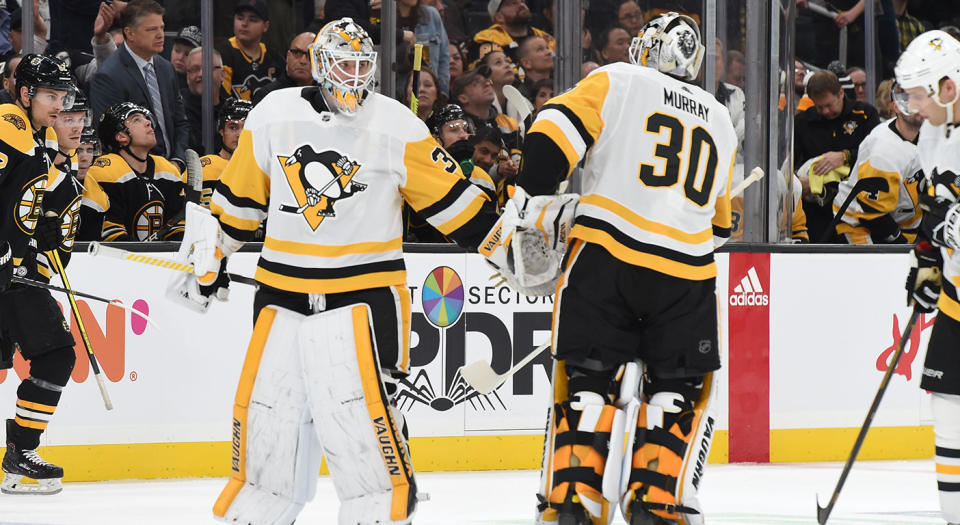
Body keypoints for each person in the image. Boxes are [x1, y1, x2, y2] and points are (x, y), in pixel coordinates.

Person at [170, 18, 497, 524]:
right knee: (270, 417)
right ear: (320, 66)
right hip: (282, 292)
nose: (355, 75)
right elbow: (240, 202)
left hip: (365, 295)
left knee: (364, 423)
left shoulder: (397, 123)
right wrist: (211, 255)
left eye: (364, 65)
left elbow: (455, 206)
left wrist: (508, 248)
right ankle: (260, 510)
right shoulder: (273, 114)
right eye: (345, 64)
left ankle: (380, 514)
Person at [498, 13, 736, 524]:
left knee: (587, 381)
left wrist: (527, 201)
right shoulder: (720, 117)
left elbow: (550, 133)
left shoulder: (618, 79)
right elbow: (720, 226)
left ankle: (574, 498)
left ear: (646, 49)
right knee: (676, 392)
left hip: (605, 258)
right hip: (688, 273)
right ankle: (656, 499)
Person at [0, 54, 77, 495]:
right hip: (8, 270)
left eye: (61, 95)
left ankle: (19, 457)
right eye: (50, 95)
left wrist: (41, 227)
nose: (58, 104)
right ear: (25, 93)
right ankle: (21, 452)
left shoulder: (38, 136)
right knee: (56, 355)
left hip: (15, 272)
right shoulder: (9, 120)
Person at [896, 30, 960, 525]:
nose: (912, 107)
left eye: (918, 95)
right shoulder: (936, 133)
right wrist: (927, 258)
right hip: (959, 297)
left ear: (947, 87)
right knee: (946, 404)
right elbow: (938, 207)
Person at [90, 0, 190, 169]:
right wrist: (151, 170)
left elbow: (180, 122)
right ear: (130, 33)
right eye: (152, 29)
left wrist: (178, 161)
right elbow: (110, 138)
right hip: (135, 174)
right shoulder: (108, 76)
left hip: (173, 170)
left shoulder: (166, 68)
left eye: (161, 27)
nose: (160, 35)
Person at [78, 102, 186, 241]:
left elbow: (177, 229)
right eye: (136, 120)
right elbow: (111, 237)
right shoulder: (105, 172)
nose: (148, 122)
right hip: (117, 260)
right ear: (121, 136)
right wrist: (145, 258)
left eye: (146, 118)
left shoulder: (167, 170)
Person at [795, 70, 880, 242]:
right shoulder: (803, 122)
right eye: (819, 107)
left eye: (829, 105)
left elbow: (878, 154)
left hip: (857, 208)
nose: (825, 111)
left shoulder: (865, 115)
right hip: (817, 212)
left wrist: (845, 156)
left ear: (841, 93)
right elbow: (789, 162)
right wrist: (799, 182)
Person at [832, 84, 924, 244]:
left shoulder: (930, 136)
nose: (918, 107)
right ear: (896, 107)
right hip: (859, 223)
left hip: (902, 221)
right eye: (909, 101)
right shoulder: (885, 149)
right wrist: (899, 243)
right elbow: (871, 212)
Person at [407, 104, 495, 242]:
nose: (463, 135)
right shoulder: (420, 177)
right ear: (436, 140)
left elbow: (490, 233)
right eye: (453, 130)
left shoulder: (483, 178)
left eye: (465, 129)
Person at [35, 90, 90, 281]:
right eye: (68, 120)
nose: (78, 128)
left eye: (81, 119)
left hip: (54, 275)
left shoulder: (72, 156)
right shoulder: (33, 164)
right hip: (24, 275)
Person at [218, 0, 283, 101]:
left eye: (253, 20)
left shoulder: (274, 56)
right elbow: (222, 99)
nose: (244, 24)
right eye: (240, 18)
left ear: (265, 26)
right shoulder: (222, 54)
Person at [198, 98, 251, 209]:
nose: (240, 134)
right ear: (222, 131)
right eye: (233, 127)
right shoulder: (203, 168)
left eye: (246, 128)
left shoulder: (263, 170)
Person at [472, 0, 555, 64]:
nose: (522, 5)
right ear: (498, 17)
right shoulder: (487, 38)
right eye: (513, 3)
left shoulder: (542, 36)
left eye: (522, 1)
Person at [180, 47, 227, 154]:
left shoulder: (230, 110)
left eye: (207, 68)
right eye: (195, 69)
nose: (201, 74)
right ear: (188, 76)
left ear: (222, 75)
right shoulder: (177, 109)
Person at [251, 32, 317, 105]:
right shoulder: (267, 95)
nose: (303, 61)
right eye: (297, 53)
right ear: (288, 56)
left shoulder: (326, 97)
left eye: (311, 55)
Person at [171, 25, 201, 92]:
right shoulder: (157, 76)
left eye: (187, 54)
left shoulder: (202, 86)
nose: (180, 58)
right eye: (177, 51)